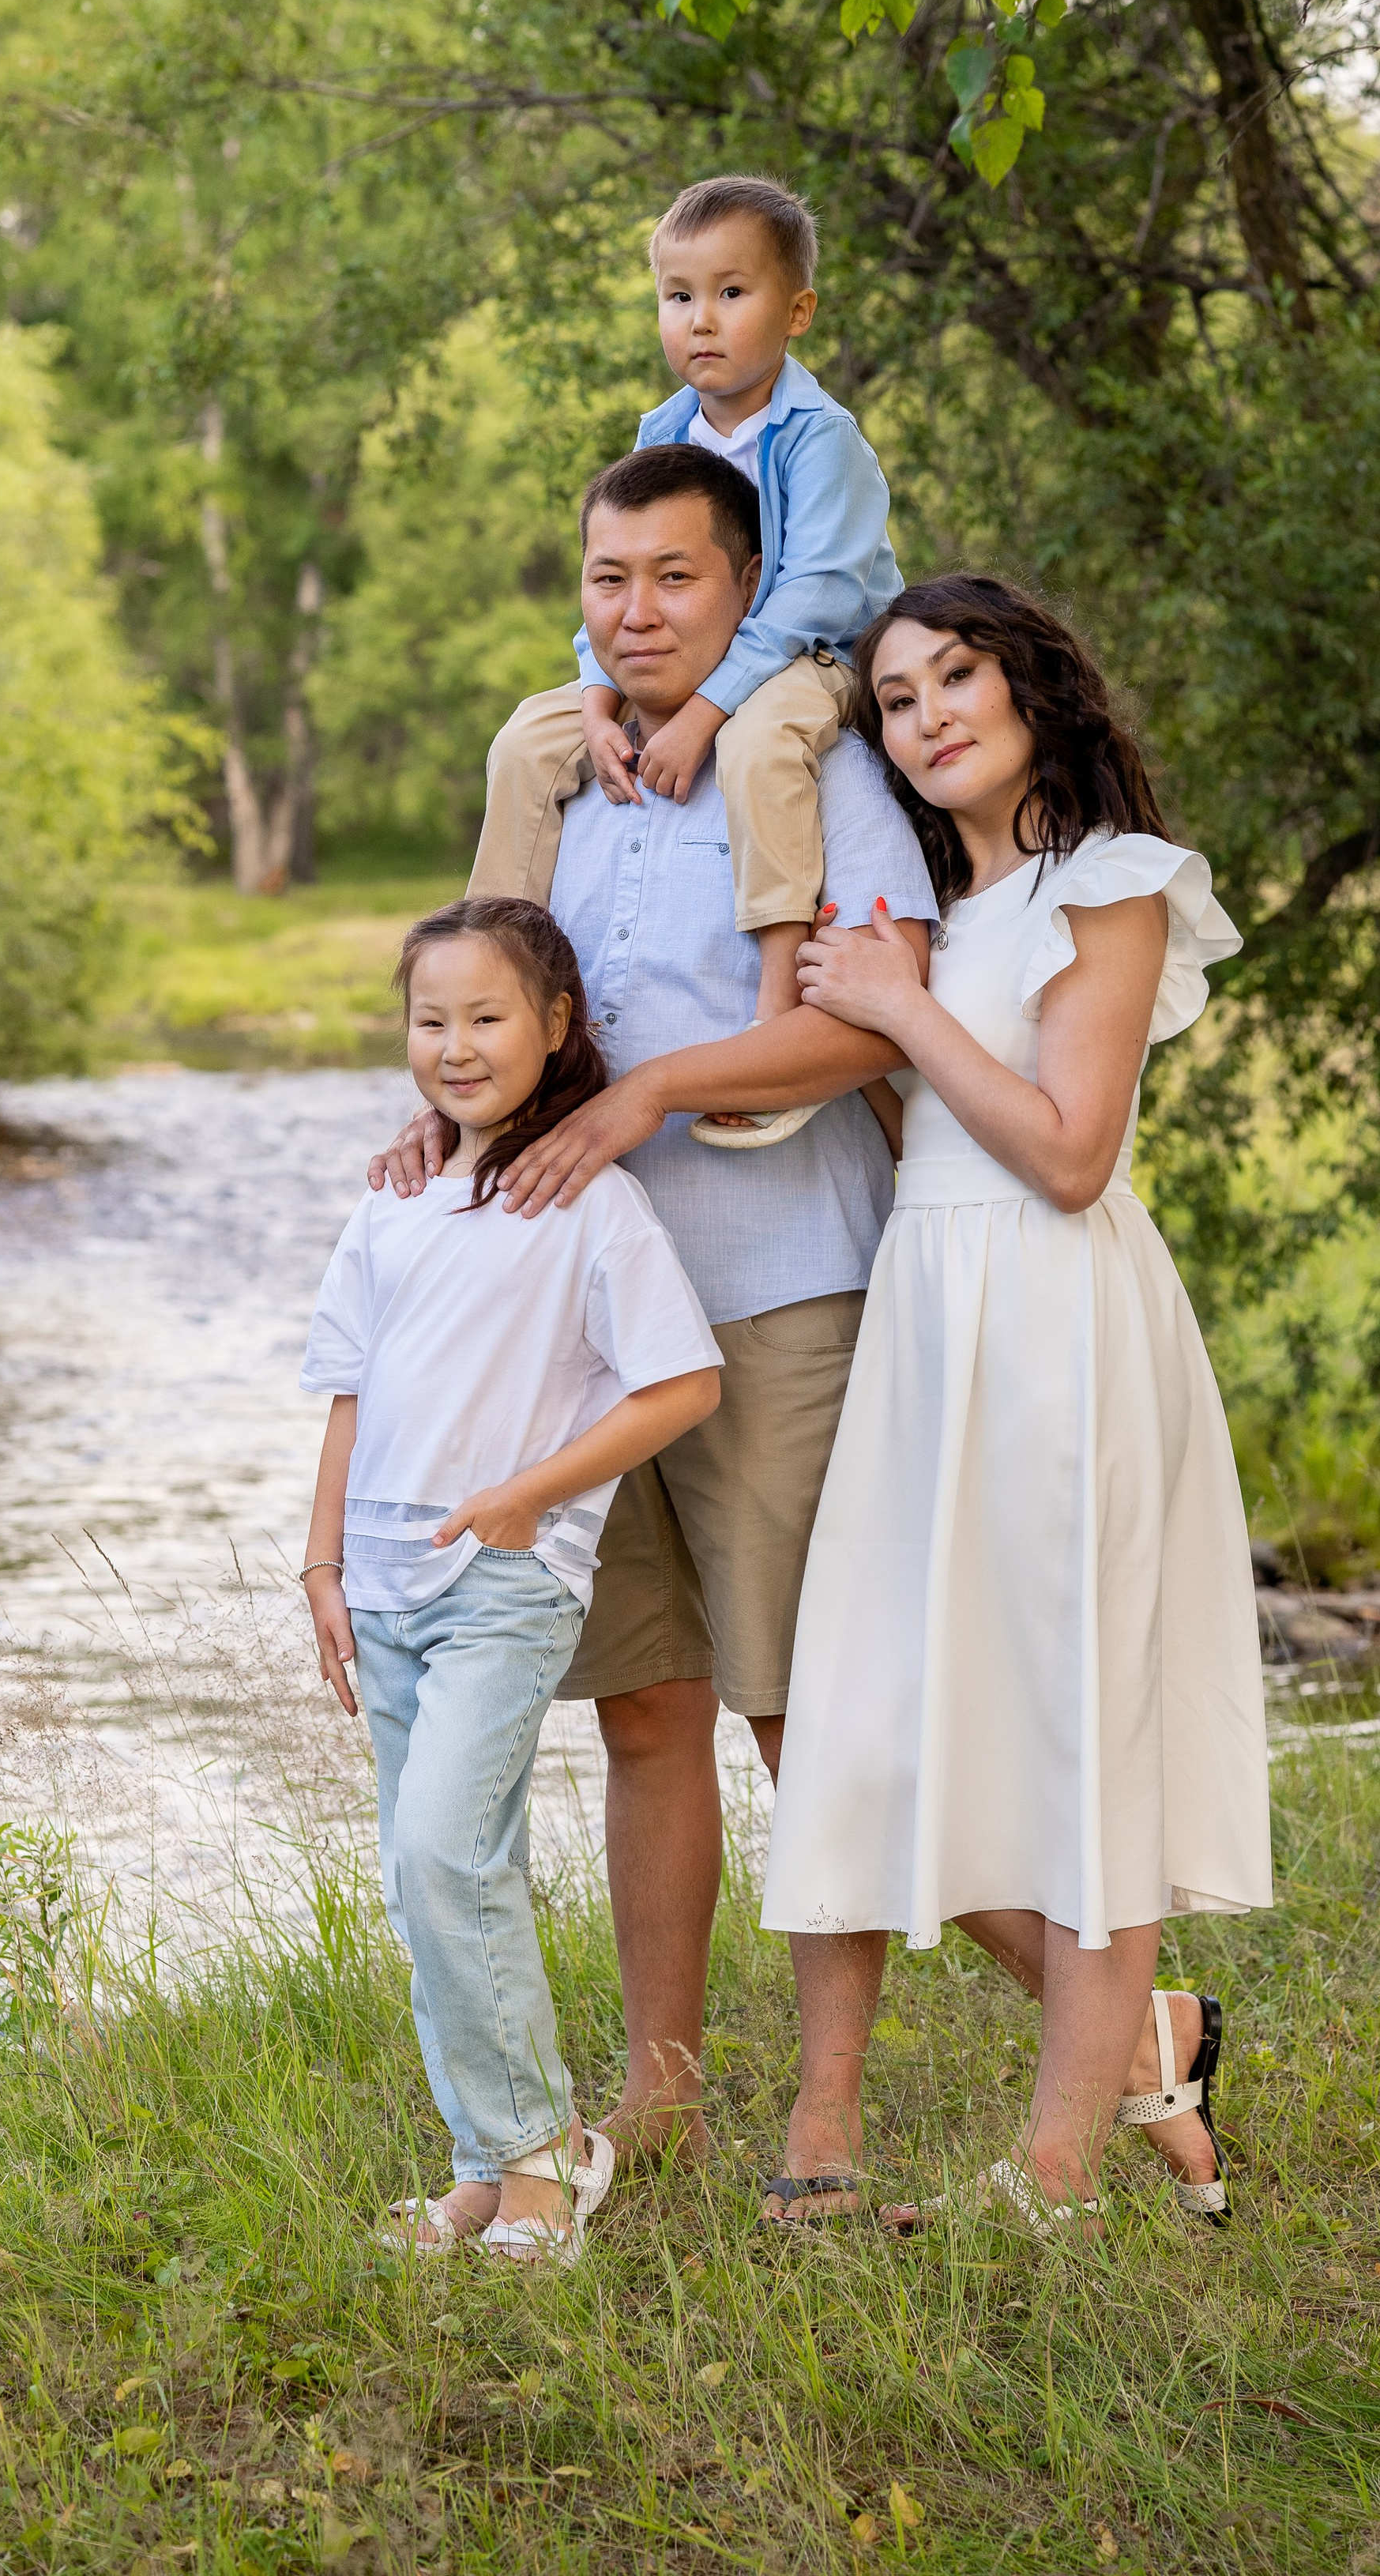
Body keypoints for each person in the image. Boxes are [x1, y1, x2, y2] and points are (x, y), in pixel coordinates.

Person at [372, 443, 937, 2170]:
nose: (636, 612)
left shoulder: (810, 759)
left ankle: (827, 2111)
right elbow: (506, 1000)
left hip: (775, 1288)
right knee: (642, 1709)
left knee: (797, 1705)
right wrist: (462, 1106)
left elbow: (867, 1025)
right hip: (584, 1327)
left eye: (675, 579)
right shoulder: (554, 768)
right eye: (610, 579)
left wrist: (641, 1098)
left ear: (743, 591)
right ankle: (664, 2089)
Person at [760, 575, 1273, 2231]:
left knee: (1072, 1724)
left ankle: (1050, 2176)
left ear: (1033, 686)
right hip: (929, 1319)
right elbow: (921, 1135)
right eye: (896, 701)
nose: (925, 718)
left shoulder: (1107, 884)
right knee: (885, 1715)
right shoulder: (931, 908)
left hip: (1058, 1324)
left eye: (954, 677)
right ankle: (1154, 2040)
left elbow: (1064, 1152)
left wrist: (898, 1013)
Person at [299, 896, 723, 2263]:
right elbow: (348, 1394)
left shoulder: (596, 1206)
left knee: (445, 1848)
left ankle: (549, 2157)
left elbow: (684, 1382)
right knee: (423, 1875)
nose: (458, 1046)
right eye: (433, 1021)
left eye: (488, 1018)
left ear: (555, 1028)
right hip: (381, 1581)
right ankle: (485, 2163)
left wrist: (534, 1493)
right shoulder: (395, 1198)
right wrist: (319, 1561)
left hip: (509, 1576)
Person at [468, 172, 902, 1101]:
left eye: (730, 293)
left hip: (822, 659)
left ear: (797, 312)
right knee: (526, 741)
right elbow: (617, 574)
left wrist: (703, 712)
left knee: (758, 746)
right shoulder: (662, 429)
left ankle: (776, 1009)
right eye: (677, 297)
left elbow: (812, 598)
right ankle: (485, 986)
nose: (699, 320)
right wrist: (596, 704)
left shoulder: (823, 440)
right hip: (710, 662)